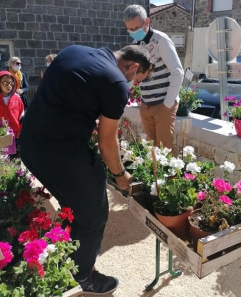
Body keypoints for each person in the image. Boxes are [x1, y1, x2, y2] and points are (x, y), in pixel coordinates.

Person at [19, 44, 154, 295]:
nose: (133, 85)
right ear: (133, 66)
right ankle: (83, 277)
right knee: (94, 212)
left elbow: (66, 95)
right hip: (59, 152)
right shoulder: (116, 83)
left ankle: (65, 258)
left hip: (29, 144)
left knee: (74, 206)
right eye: (137, 79)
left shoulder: (74, 50)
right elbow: (106, 142)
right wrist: (120, 175)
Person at [124, 4, 184, 150]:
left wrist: (167, 105)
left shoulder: (161, 40)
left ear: (147, 22)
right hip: (146, 105)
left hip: (163, 105)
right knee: (151, 150)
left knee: (165, 152)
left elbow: (177, 71)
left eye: (136, 28)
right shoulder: (135, 44)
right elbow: (132, 75)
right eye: (130, 29)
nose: (133, 32)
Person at [0, 71, 24, 154]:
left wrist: (21, 131)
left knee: (14, 163)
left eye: (11, 83)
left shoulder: (17, 98)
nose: (9, 85)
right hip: (1, 135)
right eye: (5, 83)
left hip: (15, 135)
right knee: (3, 163)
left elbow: (21, 116)